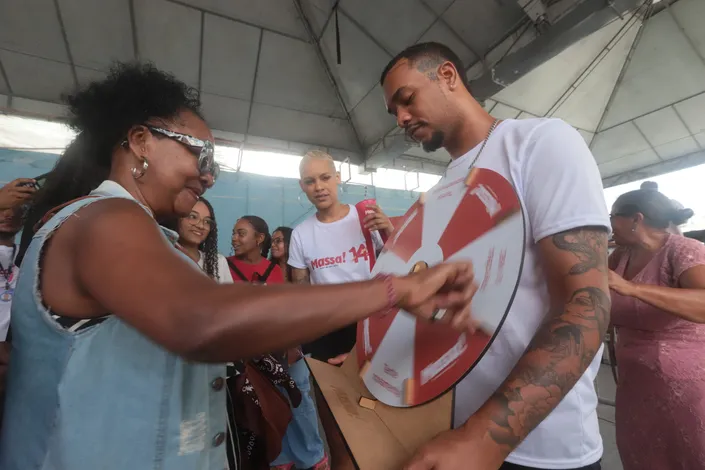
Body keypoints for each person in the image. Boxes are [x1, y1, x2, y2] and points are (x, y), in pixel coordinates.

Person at [0, 62, 477, 470]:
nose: (208, 175)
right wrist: (395, 290)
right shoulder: (105, 218)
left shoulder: (135, 232)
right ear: (141, 141)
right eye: (200, 153)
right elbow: (201, 319)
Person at [380, 42, 611, 470]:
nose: (401, 119)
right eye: (393, 112)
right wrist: (374, 355)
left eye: (406, 99)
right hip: (452, 434)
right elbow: (444, 310)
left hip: (538, 448)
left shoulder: (540, 143)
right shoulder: (443, 191)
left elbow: (587, 304)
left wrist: (483, 439)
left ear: (448, 76)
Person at [288, 150, 395, 468]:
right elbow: (299, 292)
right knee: (337, 424)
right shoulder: (302, 235)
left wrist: (388, 229)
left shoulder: (366, 219)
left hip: (371, 327)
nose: (319, 186)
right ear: (302, 186)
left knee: (382, 417)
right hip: (326, 333)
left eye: (324, 177)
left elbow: (401, 261)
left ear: (338, 178)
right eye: (310, 181)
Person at [607, 188, 705, 469]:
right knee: (644, 456)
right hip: (636, 385)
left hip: (686, 386)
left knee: (690, 455)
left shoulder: (684, 250)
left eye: (613, 216)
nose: (610, 223)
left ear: (636, 219)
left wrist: (633, 289)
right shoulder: (620, 257)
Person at [270, 226, 328, 470]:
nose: (274, 245)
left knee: (300, 398)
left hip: (297, 346)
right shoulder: (268, 271)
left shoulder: (302, 274)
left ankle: (313, 455)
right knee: (276, 402)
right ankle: (284, 456)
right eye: (272, 241)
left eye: (280, 240)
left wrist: (296, 344)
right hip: (271, 346)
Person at [174, 197, 232, 283]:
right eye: (193, 217)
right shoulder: (162, 258)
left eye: (207, 221)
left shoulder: (219, 262)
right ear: (177, 218)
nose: (201, 226)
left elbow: (229, 296)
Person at [227, 216, 283, 284]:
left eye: (241, 234)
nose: (234, 238)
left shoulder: (274, 270)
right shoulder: (223, 265)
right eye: (233, 233)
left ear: (260, 238)